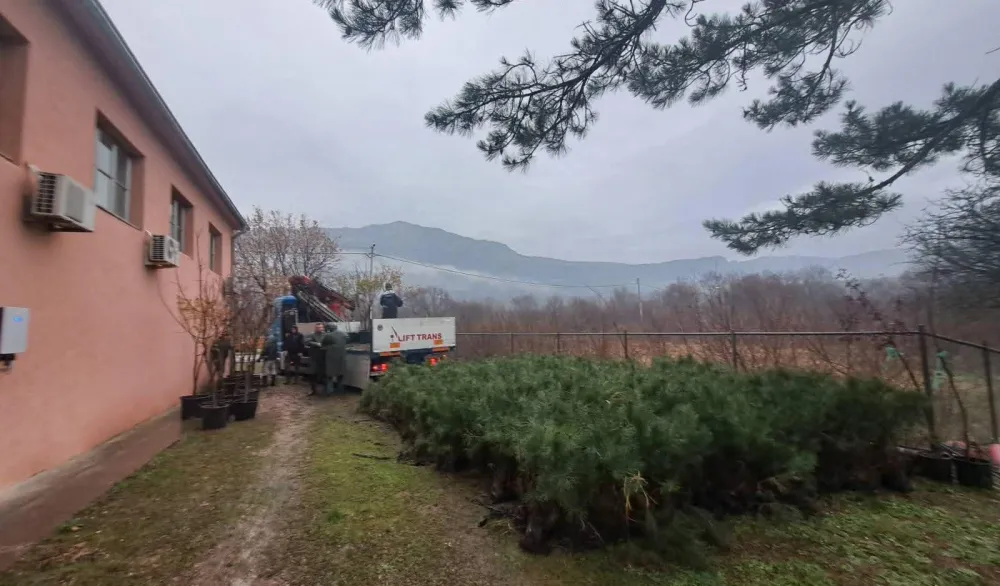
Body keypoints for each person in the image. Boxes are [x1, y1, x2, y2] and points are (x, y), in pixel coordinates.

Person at [321, 322, 348, 396]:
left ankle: (329, 391)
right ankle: (340, 390)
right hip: (341, 357)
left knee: (329, 376)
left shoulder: (328, 335)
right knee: (340, 375)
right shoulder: (343, 334)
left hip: (331, 358)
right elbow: (347, 339)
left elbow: (322, 344)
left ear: (329, 328)